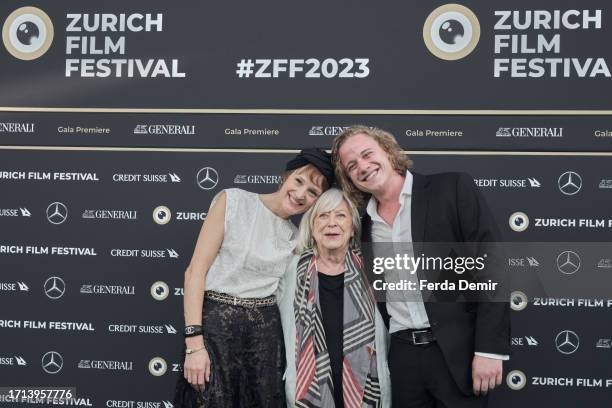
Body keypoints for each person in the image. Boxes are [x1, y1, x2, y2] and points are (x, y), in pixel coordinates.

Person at [331, 125, 510, 408]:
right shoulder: (361, 225)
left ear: (388, 152)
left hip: (457, 354)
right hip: (402, 359)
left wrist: (489, 349)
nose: (363, 166)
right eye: (352, 165)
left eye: (367, 154)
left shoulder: (451, 188)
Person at [174, 148, 334, 407]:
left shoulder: (297, 239)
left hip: (264, 338)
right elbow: (195, 272)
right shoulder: (233, 201)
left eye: (313, 192)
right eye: (299, 181)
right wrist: (194, 344)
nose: (301, 194)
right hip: (215, 330)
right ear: (286, 176)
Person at [278, 188, 391, 408]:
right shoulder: (290, 269)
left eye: (340, 215)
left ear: (352, 227)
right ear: (312, 226)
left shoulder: (374, 269)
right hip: (309, 390)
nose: (332, 223)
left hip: (367, 390)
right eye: (323, 215)